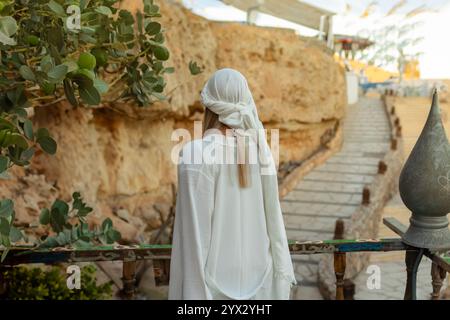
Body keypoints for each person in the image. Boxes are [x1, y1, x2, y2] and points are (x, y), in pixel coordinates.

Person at [168, 68, 297, 300]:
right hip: (262, 285)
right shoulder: (261, 151)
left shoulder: (195, 155)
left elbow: (194, 240)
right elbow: (272, 219)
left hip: (212, 290)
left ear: (208, 105)